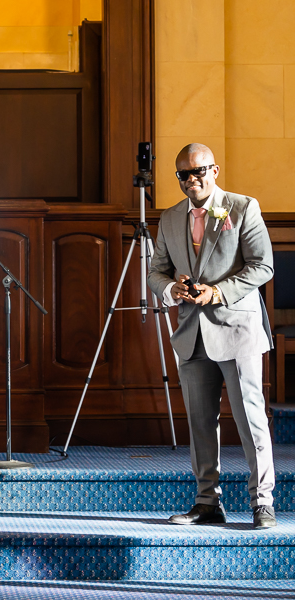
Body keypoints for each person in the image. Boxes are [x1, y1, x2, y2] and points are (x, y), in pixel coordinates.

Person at [147, 143, 276, 529]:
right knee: (201, 422)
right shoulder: (169, 218)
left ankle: (262, 503)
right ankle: (207, 503)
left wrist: (217, 292)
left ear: (215, 170)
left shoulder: (242, 207)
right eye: (183, 175)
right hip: (191, 333)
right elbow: (156, 272)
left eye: (198, 171)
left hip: (236, 329)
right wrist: (174, 290)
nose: (191, 180)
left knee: (250, 419)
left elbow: (263, 265)